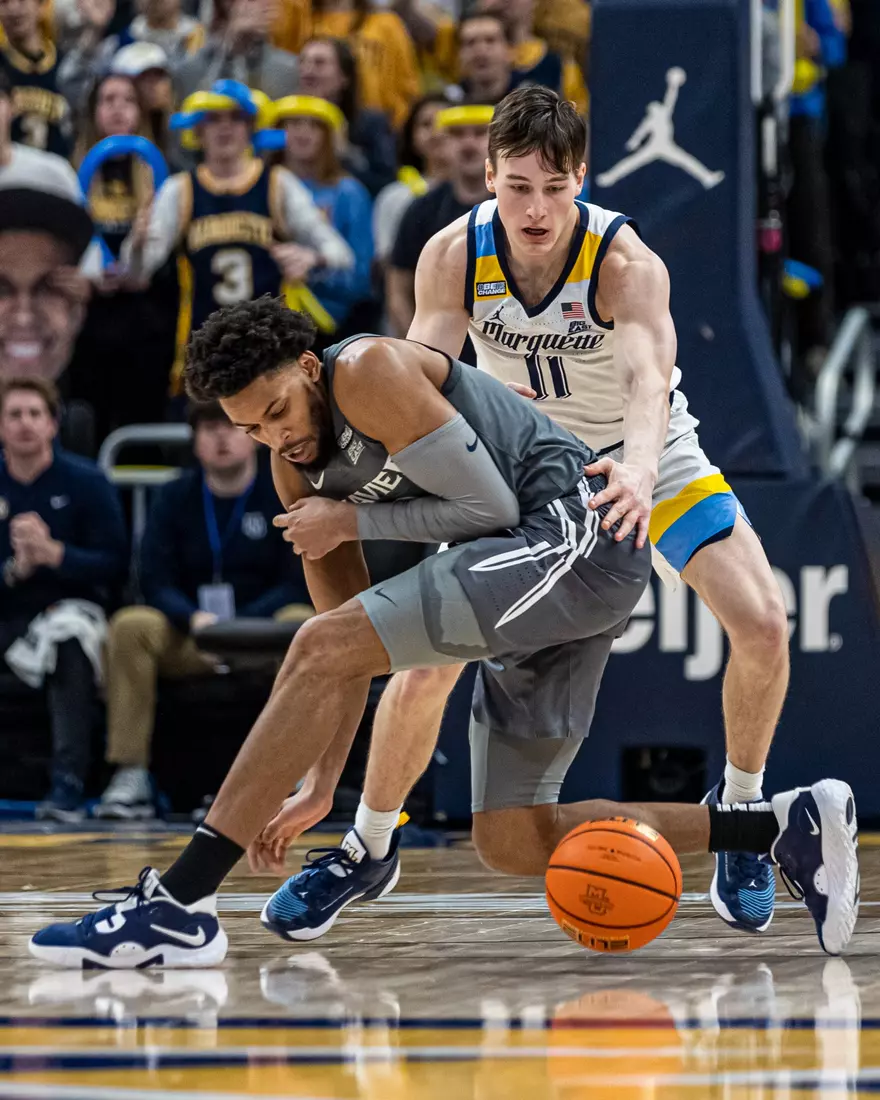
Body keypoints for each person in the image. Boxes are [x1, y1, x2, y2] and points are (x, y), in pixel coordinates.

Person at [27, 297, 859, 968]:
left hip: (573, 536)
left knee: (320, 650)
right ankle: (780, 824)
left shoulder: (370, 371)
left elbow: (488, 508)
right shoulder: (293, 467)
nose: (274, 436)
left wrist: (350, 519)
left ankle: (181, 903)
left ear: (310, 368)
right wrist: (323, 783)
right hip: (538, 577)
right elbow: (338, 646)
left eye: (278, 408)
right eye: (251, 429)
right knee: (511, 840)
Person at [264, 85, 793, 942]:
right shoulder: (452, 253)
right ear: (487, 177)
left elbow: (645, 379)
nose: (536, 208)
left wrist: (641, 468)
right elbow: (428, 373)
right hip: (523, 470)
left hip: (642, 454)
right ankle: (367, 845)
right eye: (517, 187)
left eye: (554, 187)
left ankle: (740, 811)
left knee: (764, 623)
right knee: (426, 655)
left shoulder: (625, 263)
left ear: (581, 178)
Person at [94, 399, 312, 821]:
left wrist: (240, 627)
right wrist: (195, 621)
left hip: (261, 634)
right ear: (195, 442)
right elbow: (153, 580)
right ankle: (130, 773)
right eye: (210, 429)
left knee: (303, 624)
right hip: (193, 633)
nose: (221, 437)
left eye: (231, 426)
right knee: (130, 625)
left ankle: (298, 772)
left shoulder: (280, 490)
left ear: (253, 438)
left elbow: (294, 580)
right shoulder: (175, 495)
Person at [122, 81, 353, 389]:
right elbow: (137, 273)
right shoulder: (180, 189)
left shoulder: (278, 183)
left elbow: (341, 254)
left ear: (251, 128)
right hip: (205, 347)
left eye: (235, 118)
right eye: (214, 119)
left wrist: (311, 257)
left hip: (272, 349)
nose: (225, 129)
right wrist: (136, 244)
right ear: (198, 131)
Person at [0, 377, 127, 820]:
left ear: (53, 424)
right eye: (14, 414)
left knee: (68, 639)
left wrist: (56, 555)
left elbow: (116, 563)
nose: (25, 424)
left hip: (72, 607)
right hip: (10, 610)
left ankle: (67, 784)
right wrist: (14, 570)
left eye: (35, 414)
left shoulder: (86, 481)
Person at [68, 71, 177, 440]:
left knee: (142, 425)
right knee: (90, 424)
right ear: (93, 111)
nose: (118, 109)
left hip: (146, 319)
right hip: (91, 319)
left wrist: (143, 266)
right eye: (108, 100)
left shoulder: (160, 172)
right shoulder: (71, 171)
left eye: (128, 100)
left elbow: (173, 255)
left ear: (141, 112)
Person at [272, 94, 374, 343]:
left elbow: (361, 277)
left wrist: (315, 268)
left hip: (332, 327)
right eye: (293, 123)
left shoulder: (349, 193)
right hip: (268, 321)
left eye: (314, 125)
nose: (303, 132)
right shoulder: (260, 187)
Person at [386, 102, 491, 337]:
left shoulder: (519, 206)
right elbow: (398, 290)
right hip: (439, 353)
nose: (468, 144)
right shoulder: (421, 209)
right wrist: (419, 352)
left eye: (479, 132)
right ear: (443, 143)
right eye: (457, 133)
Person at [296, 36, 396, 197]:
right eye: (302, 62)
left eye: (319, 63)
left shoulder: (370, 124)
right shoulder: (285, 122)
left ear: (344, 77)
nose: (307, 71)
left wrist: (343, 156)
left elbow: (387, 186)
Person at [310, 0, 419, 129]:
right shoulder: (305, 21)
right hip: (315, 124)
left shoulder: (386, 23)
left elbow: (407, 84)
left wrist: (400, 126)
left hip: (381, 127)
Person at [372, 93, 451, 267]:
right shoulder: (393, 197)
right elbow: (387, 263)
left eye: (445, 123)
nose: (436, 132)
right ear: (412, 136)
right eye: (425, 124)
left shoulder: (482, 190)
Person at [174, 0, 298, 101]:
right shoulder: (193, 65)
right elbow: (197, 108)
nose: (266, 4)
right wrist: (232, 48)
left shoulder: (289, 69)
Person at [0, 0, 73, 155]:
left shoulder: (68, 65)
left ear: (41, 6)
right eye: (4, 2)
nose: (13, 9)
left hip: (59, 173)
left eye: (22, 1)